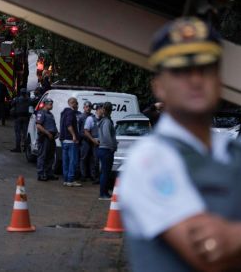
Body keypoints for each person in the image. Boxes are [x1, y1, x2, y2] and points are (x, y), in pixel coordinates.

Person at [119, 17, 241, 272]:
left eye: (205, 68)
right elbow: (209, 251)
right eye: (181, 70)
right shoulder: (150, 160)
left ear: (219, 80)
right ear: (159, 87)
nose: (195, 79)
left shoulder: (231, 151)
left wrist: (233, 236)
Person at [60, 97, 82, 187]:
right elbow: (68, 125)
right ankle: (70, 180)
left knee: (66, 161)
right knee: (73, 161)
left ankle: (66, 179)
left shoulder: (63, 113)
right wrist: (74, 135)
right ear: (70, 103)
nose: (75, 104)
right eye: (74, 103)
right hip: (71, 141)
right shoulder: (71, 112)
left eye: (75, 103)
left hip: (64, 140)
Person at [97, 102, 117, 200]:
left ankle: (104, 192)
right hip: (106, 149)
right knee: (105, 172)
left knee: (105, 172)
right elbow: (107, 136)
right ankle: (103, 194)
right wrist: (112, 146)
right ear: (110, 110)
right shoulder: (107, 122)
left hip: (103, 148)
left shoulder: (103, 121)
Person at [36, 98, 59, 181]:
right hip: (44, 137)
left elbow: (53, 125)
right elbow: (38, 125)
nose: (52, 105)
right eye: (50, 104)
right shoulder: (41, 113)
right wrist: (47, 133)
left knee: (50, 156)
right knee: (42, 156)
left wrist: (56, 133)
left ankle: (49, 173)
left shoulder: (50, 114)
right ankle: (41, 174)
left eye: (52, 104)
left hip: (51, 138)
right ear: (45, 104)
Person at [83, 103, 104, 184]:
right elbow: (86, 131)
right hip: (94, 142)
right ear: (98, 110)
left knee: (100, 161)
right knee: (95, 160)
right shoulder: (90, 119)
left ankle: (99, 177)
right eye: (102, 109)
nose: (103, 111)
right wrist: (93, 140)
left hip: (103, 142)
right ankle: (94, 177)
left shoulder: (104, 119)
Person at [10, 88, 31, 153]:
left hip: (18, 117)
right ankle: (25, 148)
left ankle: (18, 148)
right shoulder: (29, 100)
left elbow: (11, 104)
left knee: (18, 133)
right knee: (25, 133)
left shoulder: (17, 99)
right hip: (26, 118)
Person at [78, 101, 94, 182]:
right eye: (86, 107)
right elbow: (79, 130)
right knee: (83, 158)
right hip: (84, 140)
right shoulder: (81, 117)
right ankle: (83, 175)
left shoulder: (93, 116)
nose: (88, 108)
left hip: (93, 140)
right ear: (84, 107)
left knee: (92, 158)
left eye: (89, 107)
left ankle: (92, 175)